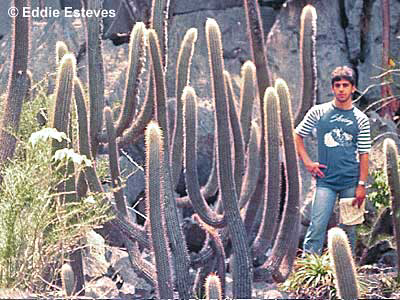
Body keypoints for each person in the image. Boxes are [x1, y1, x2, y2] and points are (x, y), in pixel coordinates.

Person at [294, 66, 371, 255]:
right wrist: (307, 162)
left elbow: (364, 153)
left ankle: (348, 277)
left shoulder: (360, 119)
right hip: (325, 181)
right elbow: (297, 134)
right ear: (332, 88)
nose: (341, 89)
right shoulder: (318, 112)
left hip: (350, 182)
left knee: (349, 231)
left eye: (346, 85)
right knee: (317, 227)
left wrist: (361, 184)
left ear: (353, 88)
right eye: (338, 85)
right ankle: (308, 274)